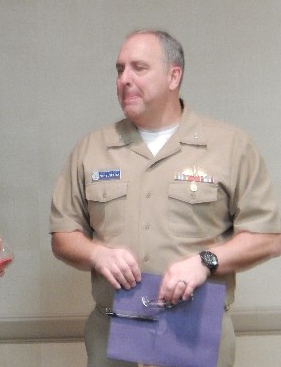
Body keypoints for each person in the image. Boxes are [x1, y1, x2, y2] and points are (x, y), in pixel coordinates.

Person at [49, 29, 281, 366]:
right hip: (115, 327)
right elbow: (63, 236)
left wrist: (206, 262)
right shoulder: (92, 149)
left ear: (174, 76)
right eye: (119, 70)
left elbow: (268, 238)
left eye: (138, 68)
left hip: (194, 328)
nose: (124, 79)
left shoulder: (230, 146)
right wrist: (96, 254)